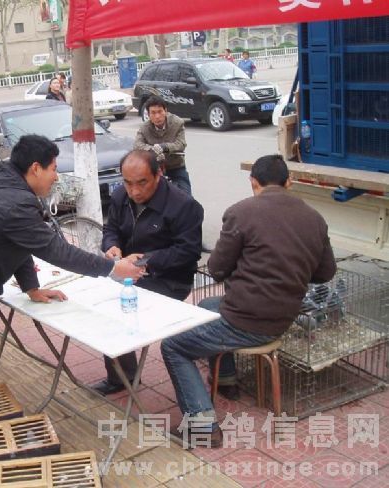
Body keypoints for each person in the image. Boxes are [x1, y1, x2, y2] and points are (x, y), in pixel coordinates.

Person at [0, 134, 145, 487]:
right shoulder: (13, 202)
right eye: (52, 168)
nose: (56, 176)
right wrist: (112, 268)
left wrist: (31, 288)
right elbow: (57, 251)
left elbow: (17, 242)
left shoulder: (3, 185)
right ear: (35, 168)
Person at [160, 155, 336, 448]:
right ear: (289, 182)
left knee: (173, 346)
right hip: (283, 317)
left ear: (253, 182)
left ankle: (202, 426)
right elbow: (325, 272)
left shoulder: (241, 213)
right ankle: (226, 379)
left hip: (246, 321)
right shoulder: (315, 218)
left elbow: (217, 269)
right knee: (206, 307)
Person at [90, 150, 204, 395]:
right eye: (128, 183)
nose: (135, 191)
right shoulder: (120, 196)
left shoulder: (184, 205)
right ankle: (123, 376)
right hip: (128, 273)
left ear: (159, 173)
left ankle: (123, 377)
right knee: (101, 301)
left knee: (116, 306)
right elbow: (111, 229)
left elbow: (188, 252)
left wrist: (144, 261)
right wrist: (111, 246)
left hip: (169, 280)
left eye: (142, 182)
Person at [134, 96, 190, 195]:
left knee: (187, 197)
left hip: (176, 166)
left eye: (160, 111)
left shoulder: (177, 123)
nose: (157, 116)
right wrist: (152, 150)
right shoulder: (144, 128)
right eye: (153, 113)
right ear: (148, 114)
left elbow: (181, 144)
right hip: (154, 169)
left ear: (165, 111)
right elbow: (137, 145)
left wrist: (164, 147)